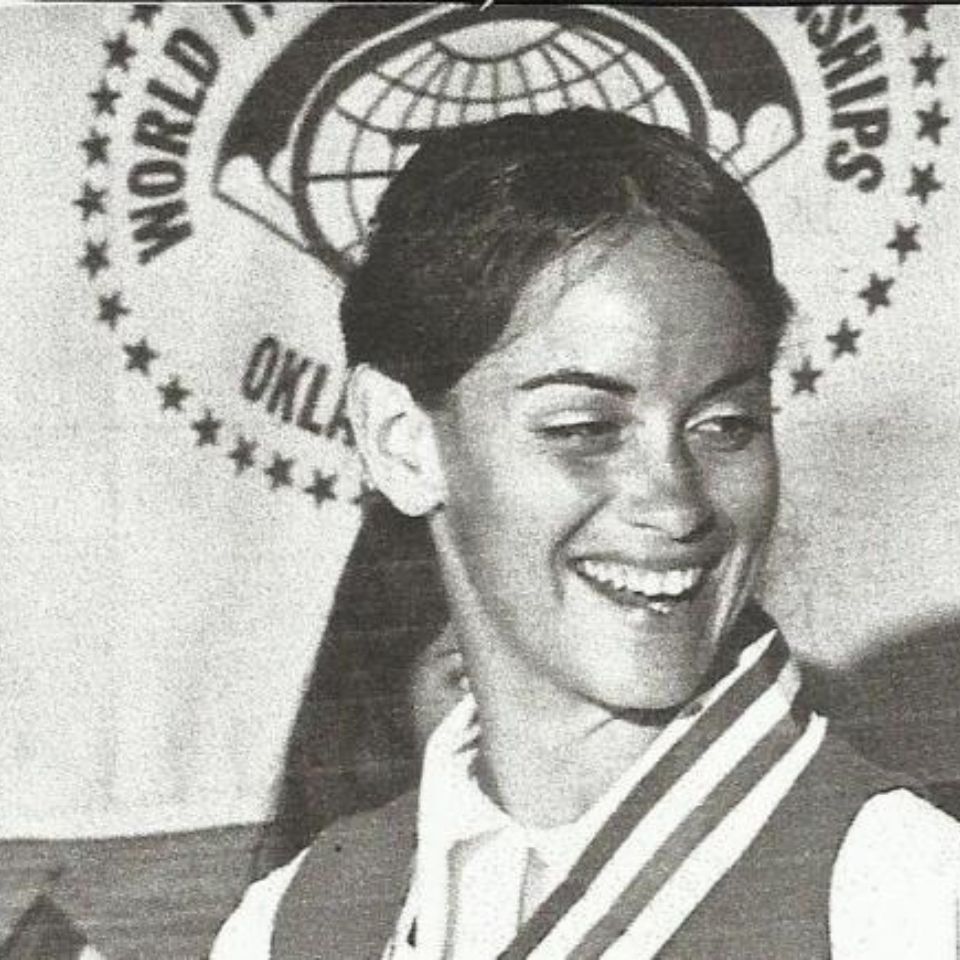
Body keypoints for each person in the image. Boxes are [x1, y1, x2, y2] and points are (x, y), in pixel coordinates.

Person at [212, 108, 960, 959]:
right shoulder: (295, 924)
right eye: (581, 427)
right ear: (401, 440)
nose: (676, 505)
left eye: (726, 424)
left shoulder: (905, 900)